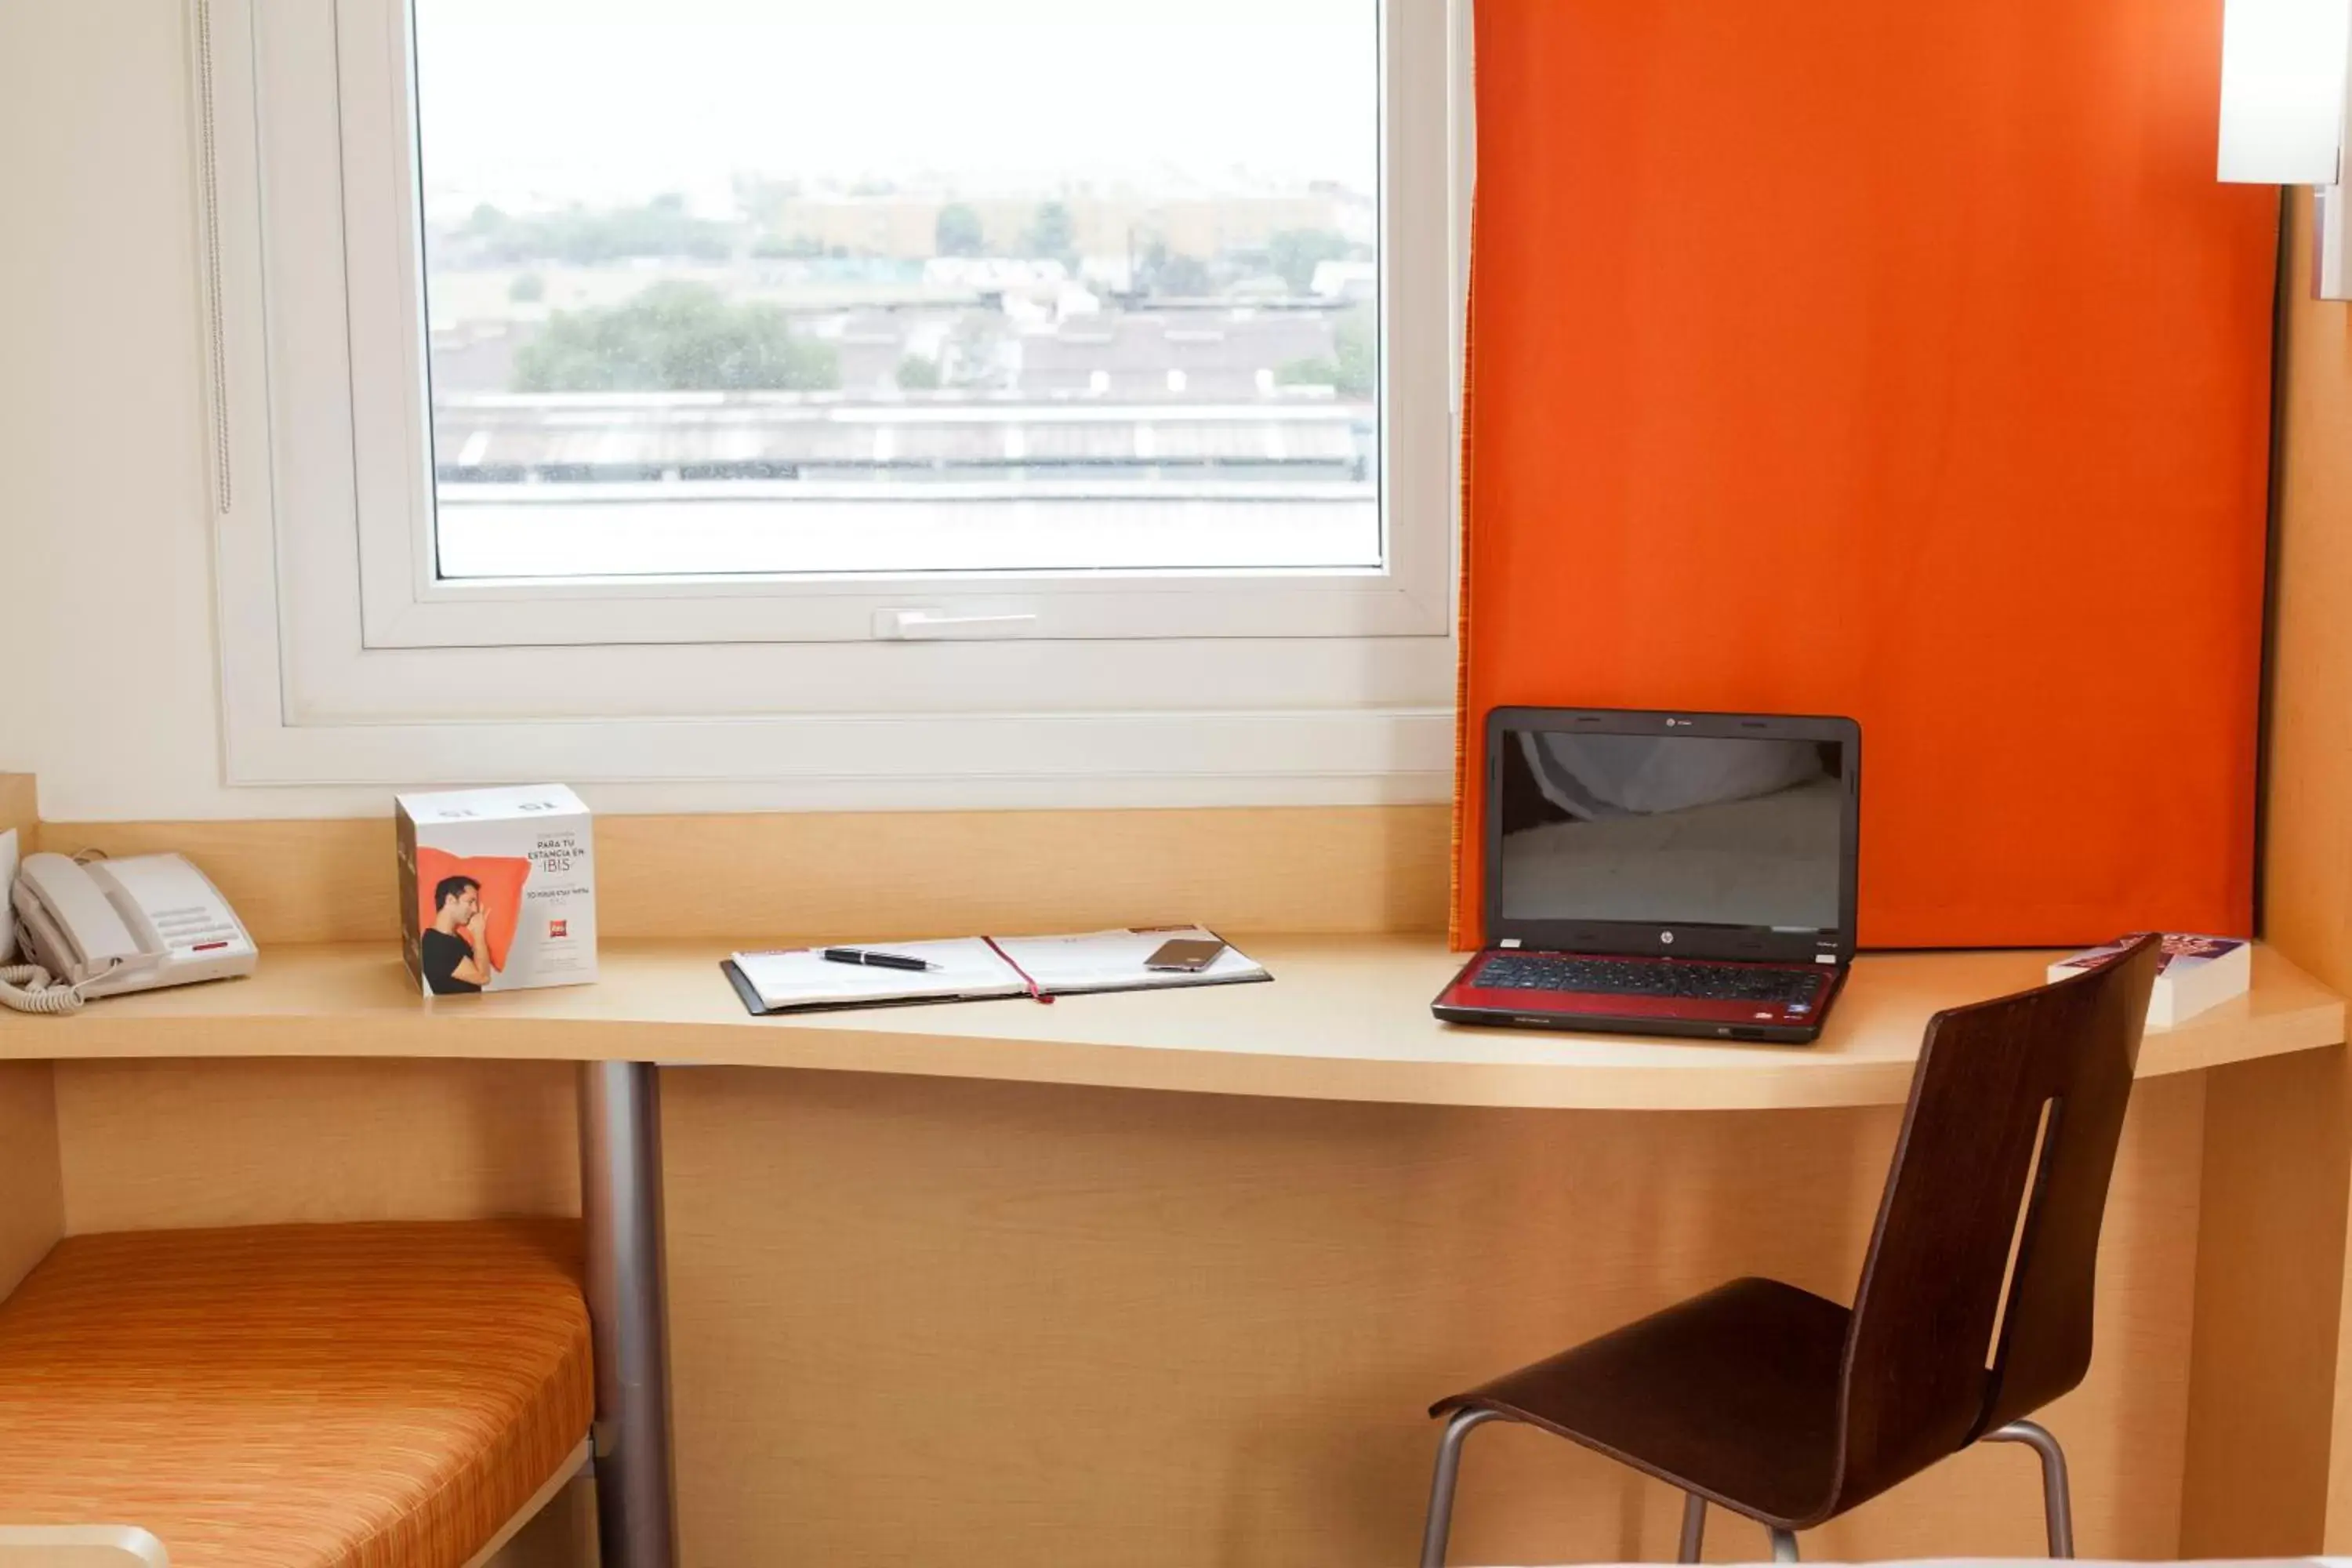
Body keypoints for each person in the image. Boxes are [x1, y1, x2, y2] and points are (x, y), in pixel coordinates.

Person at [420, 875, 495, 995]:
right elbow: (483, 978)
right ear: (450, 900)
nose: (474, 909)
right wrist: (478, 933)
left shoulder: (452, 937)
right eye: (470, 902)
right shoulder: (437, 944)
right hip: (456, 1012)